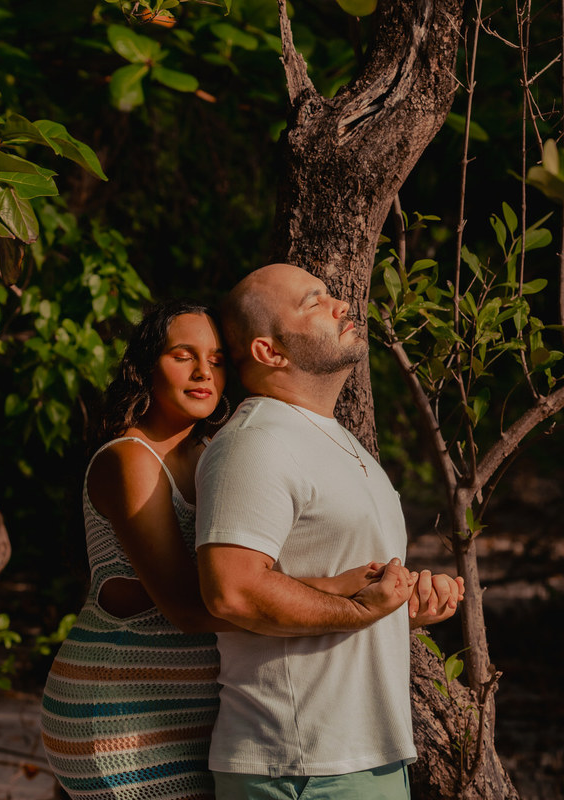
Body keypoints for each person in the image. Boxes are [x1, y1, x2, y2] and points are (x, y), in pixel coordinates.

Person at [39, 299, 386, 800]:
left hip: (197, 714)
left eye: (218, 360)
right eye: (183, 355)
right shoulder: (130, 460)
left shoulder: (215, 455)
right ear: (144, 368)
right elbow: (186, 606)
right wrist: (336, 594)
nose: (204, 371)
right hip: (121, 710)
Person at [195, 263, 464, 799]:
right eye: (313, 303)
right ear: (270, 352)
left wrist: (404, 608)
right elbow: (233, 590)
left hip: (365, 755)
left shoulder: (339, 441)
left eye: (331, 295)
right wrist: (363, 610)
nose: (341, 305)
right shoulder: (256, 442)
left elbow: (328, 589)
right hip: (301, 763)